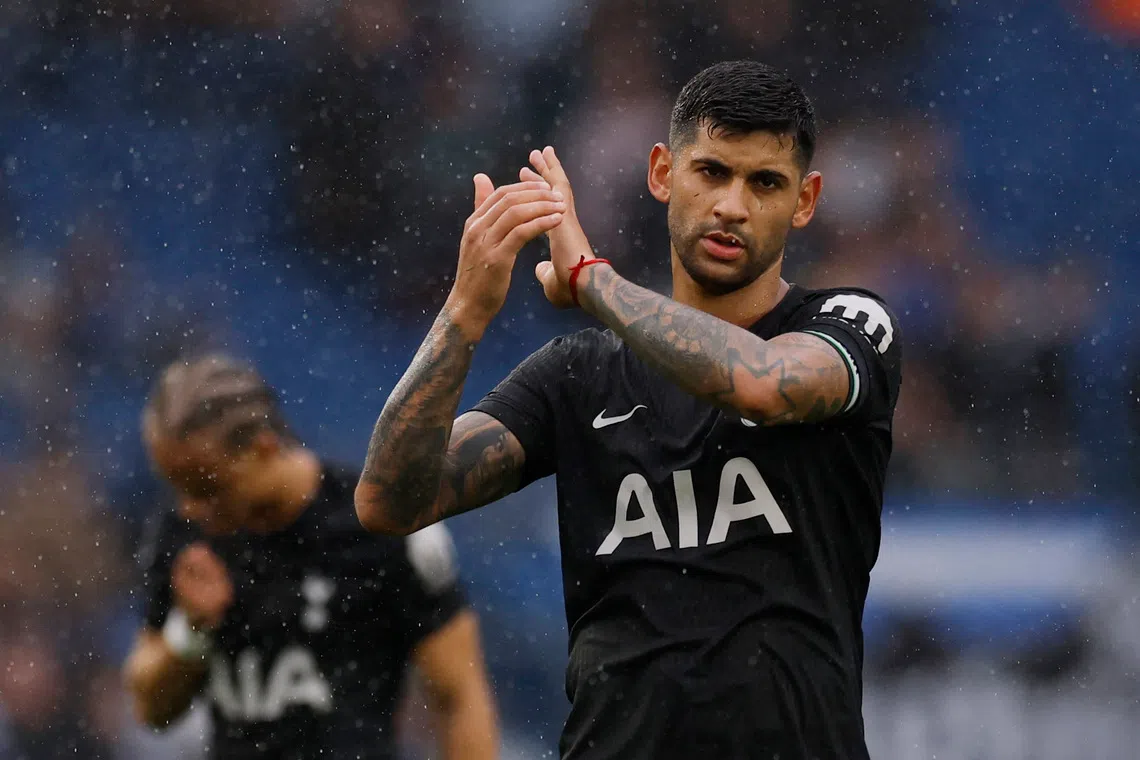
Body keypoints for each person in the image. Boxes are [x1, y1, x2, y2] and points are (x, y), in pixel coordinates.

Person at [355, 59, 903, 760]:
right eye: (711, 172)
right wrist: (464, 312)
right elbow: (389, 502)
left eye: (764, 182)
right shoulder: (578, 376)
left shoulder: (851, 324)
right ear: (662, 174)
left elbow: (764, 384)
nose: (732, 205)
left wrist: (591, 279)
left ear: (805, 200)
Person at [122, 354, 500, 760]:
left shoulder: (379, 523)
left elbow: (458, 695)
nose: (192, 509)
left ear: (263, 449)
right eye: (179, 488)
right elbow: (151, 709)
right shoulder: (185, 537)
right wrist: (191, 631)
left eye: (207, 487)